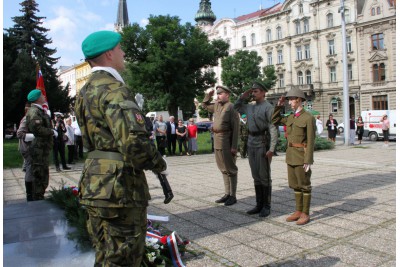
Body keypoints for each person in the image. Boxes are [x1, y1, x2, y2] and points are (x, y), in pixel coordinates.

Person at [75, 30, 167, 266]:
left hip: (95, 182)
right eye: (119, 49)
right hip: (119, 188)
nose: (123, 53)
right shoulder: (114, 89)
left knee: (105, 253)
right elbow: (134, 144)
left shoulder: (84, 92)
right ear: (108, 54)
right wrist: (158, 162)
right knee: (125, 257)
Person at [272, 87, 316, 225]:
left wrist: (308, 160)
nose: (289, 102)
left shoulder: (308, 117)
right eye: (289, 100)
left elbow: (311, 140)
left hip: (301, 156)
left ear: (299, 100)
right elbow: (275, 120)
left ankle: (305, 213)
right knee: (295, 185)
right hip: (291, 155)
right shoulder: (291, 117)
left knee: (304, 185)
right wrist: (279, 105)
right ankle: (298, 210)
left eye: (291, 99)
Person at [234, 81, 278, 217]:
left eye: (256, 91)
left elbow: (273, 128)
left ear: (264, 92)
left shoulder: (268, 107)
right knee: (255, 176)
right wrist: (243, 96)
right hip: (251, 143)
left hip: (262, 143)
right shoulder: (250, 107)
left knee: (264, 176)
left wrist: (271, 149)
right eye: (252, 91)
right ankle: (258, 204)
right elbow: (236, 107)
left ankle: (266, 205)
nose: (253, 93)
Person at [203, 85, 240, 206]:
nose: (218, 96)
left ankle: (233, 195)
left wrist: (234, 146)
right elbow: (204, 105)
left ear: (227, 95)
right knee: (223, 169)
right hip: (217, 140)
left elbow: (236, 128)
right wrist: (208, 96)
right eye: (217, 94)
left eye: (220, 94)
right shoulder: (217, 105)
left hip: (226, 141)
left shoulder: (231, 107)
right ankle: (227, 193)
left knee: (231, 169)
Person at [25, 89, 55, 200]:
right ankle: (37, 200)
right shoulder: (34, 111)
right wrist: (52, 132)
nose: (43, 96)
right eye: (41, 95)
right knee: (39, 175)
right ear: (37, 98)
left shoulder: (40, 111)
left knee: (43, 175)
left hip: (43, 148)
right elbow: (37, 129)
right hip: (38, 149)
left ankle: (39, 197)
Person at [17, 103, 35, 201]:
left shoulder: (28, 118)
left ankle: (31, 192)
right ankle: (29, 194)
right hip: (27, 148)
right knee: (30, 169)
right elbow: (19, 133)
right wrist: (34, 136)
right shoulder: (26, 119)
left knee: (28, 167)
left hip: (27, 147)